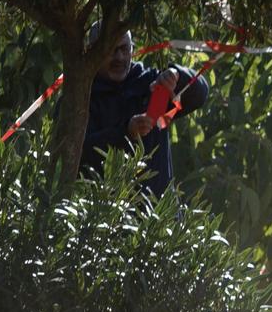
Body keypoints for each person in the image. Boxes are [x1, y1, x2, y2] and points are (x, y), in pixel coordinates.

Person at [82, 26, 209, 194]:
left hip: (158, 213)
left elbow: (199, 93)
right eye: (110, 50)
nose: (119, 57)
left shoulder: (150, 82)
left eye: (124, 49)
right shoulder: (82, 98)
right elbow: (78, 154)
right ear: (93, 52)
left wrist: (176, 76)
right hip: (106, 213)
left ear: (132, 49)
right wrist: (125, 133)